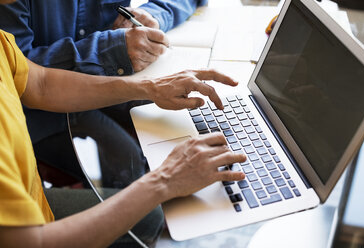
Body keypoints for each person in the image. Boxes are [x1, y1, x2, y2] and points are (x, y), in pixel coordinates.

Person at [0, 3, 247, 245]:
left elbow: (40, 83)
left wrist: (152, 88)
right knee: (148, 217)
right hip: (35, 220)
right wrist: (163, 181)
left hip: (29, 196)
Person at [0, 0, 208, 186]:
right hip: (36, 115)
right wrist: (110, 49)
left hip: (114, 76)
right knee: (130, 163)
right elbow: (20, 73)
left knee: (190, 121)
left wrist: (154, 15)